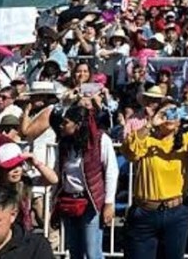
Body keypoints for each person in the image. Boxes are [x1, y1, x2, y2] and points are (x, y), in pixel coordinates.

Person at [121, 98, 188, 259]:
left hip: (176, 213)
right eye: (166, 113)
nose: (170, 117)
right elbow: (129, 149)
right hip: (145, 212)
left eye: (175, 113)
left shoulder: (186, 140)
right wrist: (151, 123)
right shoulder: (147, 140)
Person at [53, 105, 119, 259]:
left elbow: (111, 171)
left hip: (91, 202)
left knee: (92, 252)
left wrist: (109, 203)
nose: (61, 126)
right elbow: (58, 173)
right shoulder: (64, 144)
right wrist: (53, 203)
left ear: (77, 124)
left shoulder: (101, 140)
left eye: (66, 122)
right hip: (69, 201)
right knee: (75, 251)